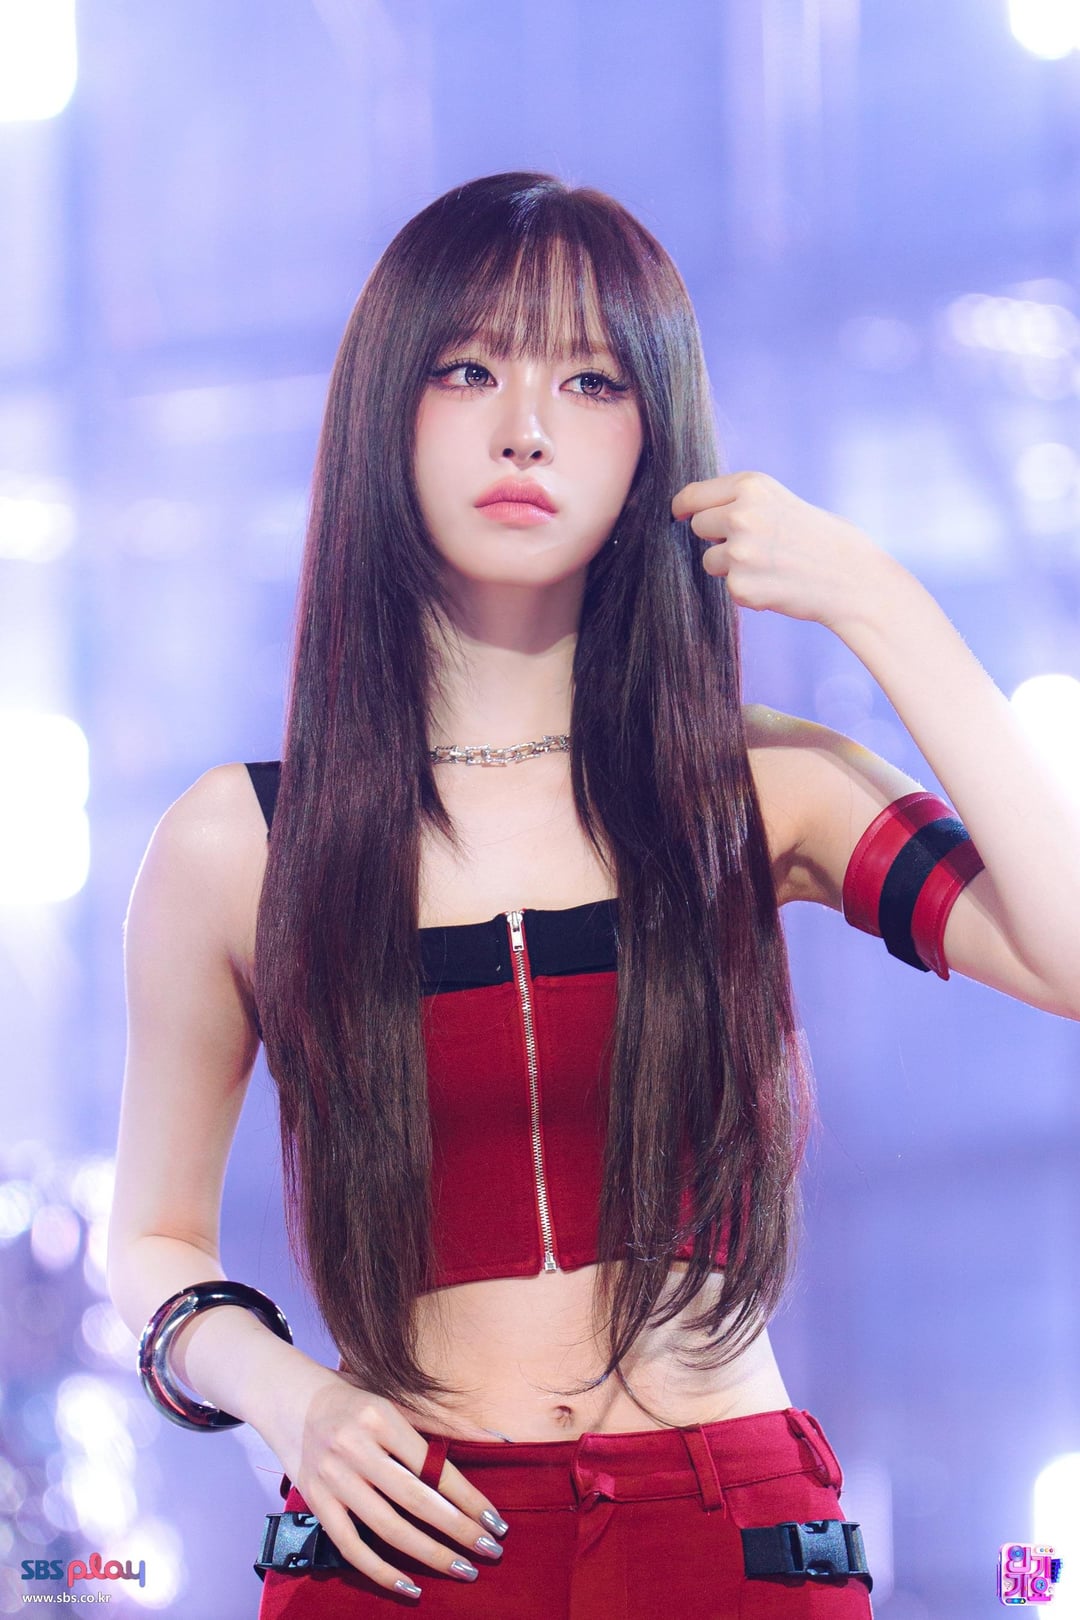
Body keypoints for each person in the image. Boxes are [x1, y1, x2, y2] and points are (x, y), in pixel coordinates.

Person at [106, 172, 1080, 1618]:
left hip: (726, 1528)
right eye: (467, 369)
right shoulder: (241, 843)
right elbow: (151, 1239)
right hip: (403, 1535)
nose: (526, 427)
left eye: (590, 378)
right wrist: (289, 1396)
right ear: (384, 407)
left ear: (654, 433)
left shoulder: (761, 786)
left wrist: (882, 601)